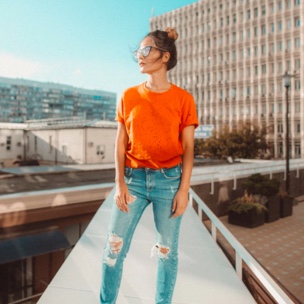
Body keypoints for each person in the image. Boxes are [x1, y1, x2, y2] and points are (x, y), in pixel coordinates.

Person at [100, 27, 199, 304]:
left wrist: (183, 190)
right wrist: (119, 182)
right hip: (132, 181)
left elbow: (189, 149)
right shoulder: (128, 96)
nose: (139, 57)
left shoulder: (183, 99)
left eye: (146, 50)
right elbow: (120, 143)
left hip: (169, 182)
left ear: (164, 56)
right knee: (112, 250)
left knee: (167, 253)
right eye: (138, 52)